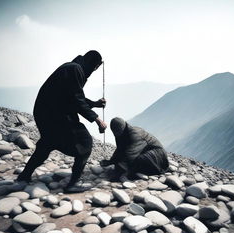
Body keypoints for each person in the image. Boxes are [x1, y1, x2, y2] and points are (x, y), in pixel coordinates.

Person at [17, 50, 107, 192]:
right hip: (56, 115)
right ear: (93, 64)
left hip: (46, 113)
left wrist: (94, 104)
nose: (94, 70)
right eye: (96, 67)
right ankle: (73, 184)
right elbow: (76, 100)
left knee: (47, 143)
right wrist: (97, 119)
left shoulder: (72, 67)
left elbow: (73, 96)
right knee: (85, 143)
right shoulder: (75, 70)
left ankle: (24, 175)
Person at [100, 117, 169, 180]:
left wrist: (117, 174)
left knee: (136, 161)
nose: (116, 134)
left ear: (122, 127)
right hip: (144, 152)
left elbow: (130, 155)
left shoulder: (135, 134)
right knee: (127, 162)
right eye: (114, 132)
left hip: (158, 156)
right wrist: (111, 161)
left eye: (117, 131)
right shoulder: (121, 133)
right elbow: (120, 149)